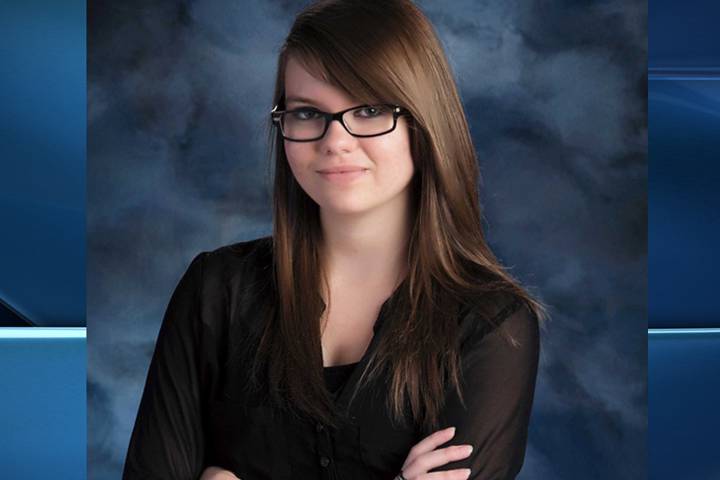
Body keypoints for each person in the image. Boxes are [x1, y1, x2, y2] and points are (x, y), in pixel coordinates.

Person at [122, 1, 548, 479]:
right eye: (307, 112)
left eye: (369, 110)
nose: (335, 141)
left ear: (425, 122)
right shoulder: (216, 291)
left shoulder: (491, 325)